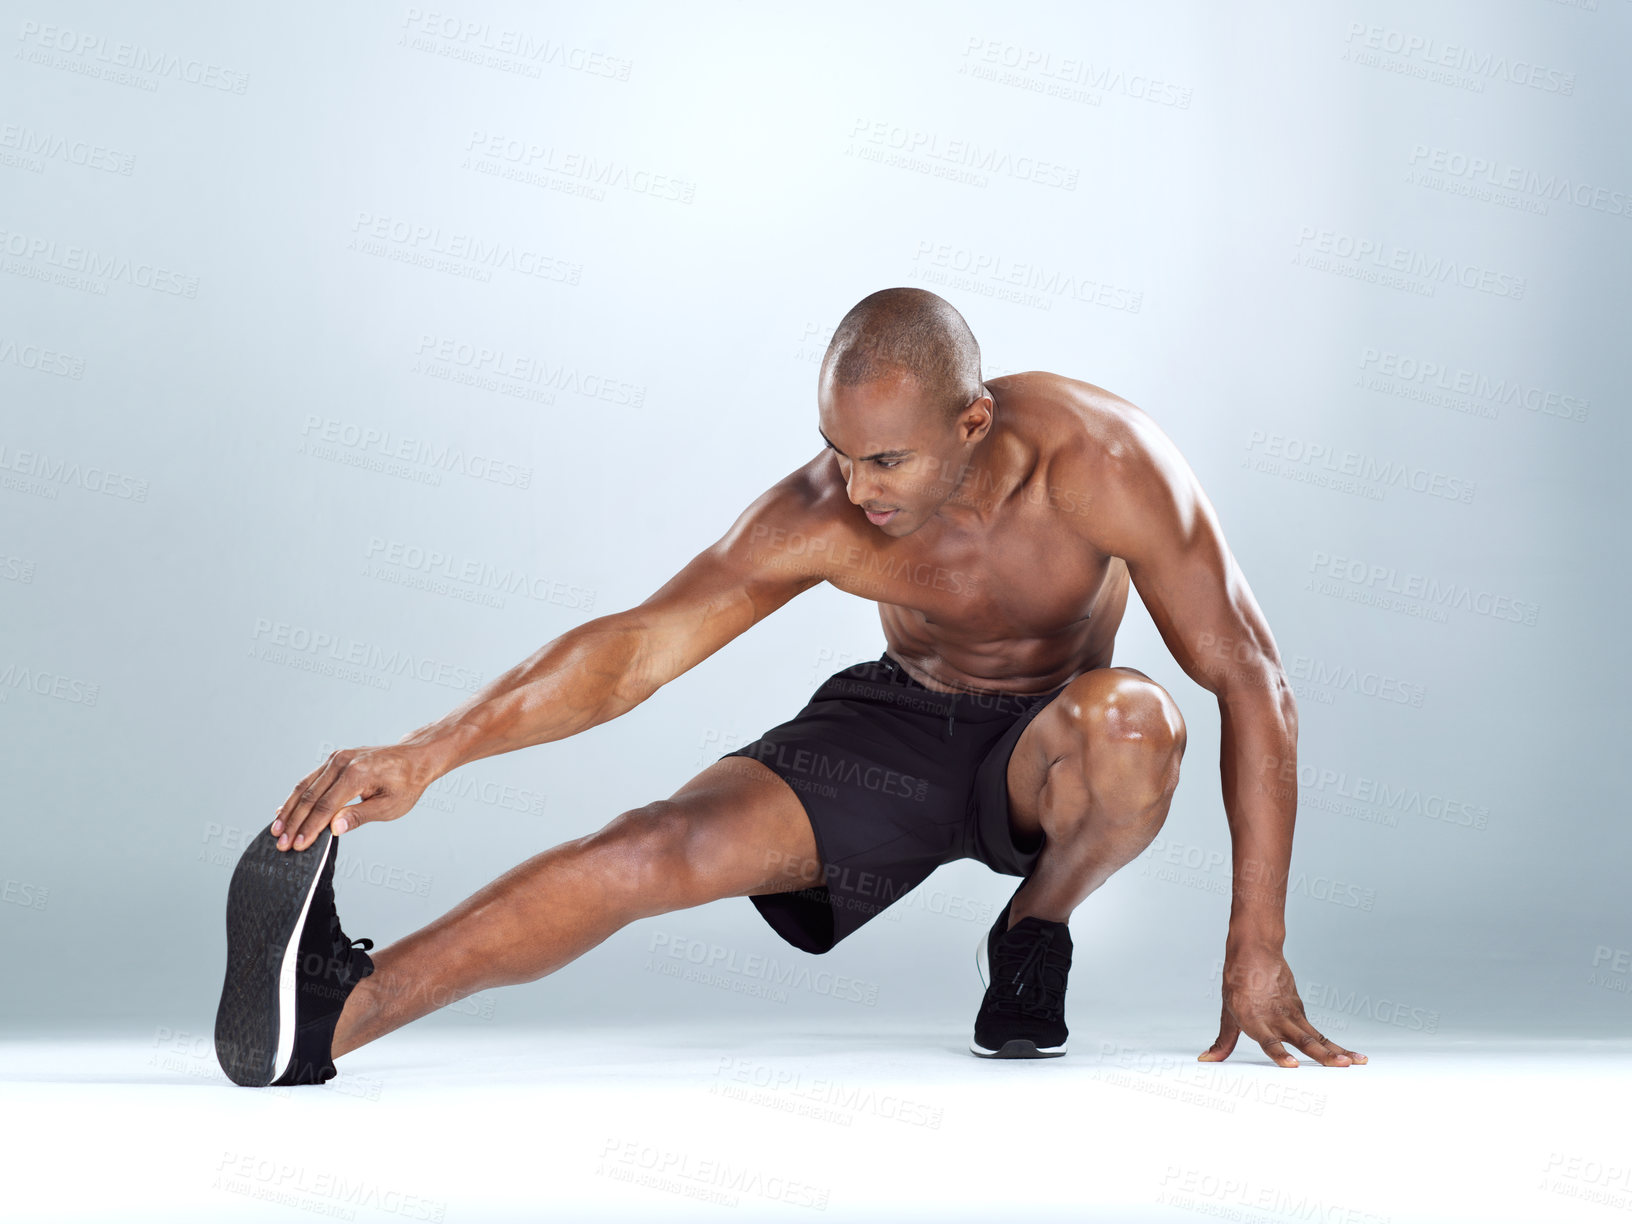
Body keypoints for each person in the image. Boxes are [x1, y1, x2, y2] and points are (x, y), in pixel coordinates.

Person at [213, 286, 1366, 1087]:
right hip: (895, 729)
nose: (853, 487)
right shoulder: (822, 510)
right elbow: (633, 651)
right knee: (650, 847)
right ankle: (333, 1013)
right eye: (837, 448)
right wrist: (435, 750)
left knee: (1135, 721)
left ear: (974, 421)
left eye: (887, 460)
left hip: (1049, 750)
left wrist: (1254, 940)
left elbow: (1252, 680)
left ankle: (1036, 925)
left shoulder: (1104, 463)